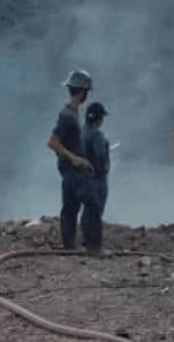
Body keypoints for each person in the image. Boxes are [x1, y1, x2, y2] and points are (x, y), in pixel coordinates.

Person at [47, 69, 96, 250]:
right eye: (87, 92)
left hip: (70, 170)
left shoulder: (72, 113)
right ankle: (92, 247)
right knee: (92, 204)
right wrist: (75, 159)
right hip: (73, 171)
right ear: (82, 92)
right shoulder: (67, 116)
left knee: (70, 207)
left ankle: (69, 247)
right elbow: (53, 142)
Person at [78, 101, 111, 255]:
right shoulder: (97, 135)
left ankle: (85, 241)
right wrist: (102, 169)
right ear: (98, 119)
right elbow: (99, 155)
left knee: (87, 210)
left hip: (83, 177)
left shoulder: (81, 132)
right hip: (96, 178)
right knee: (96, 211)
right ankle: (95, 247)